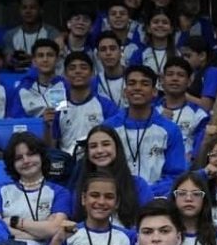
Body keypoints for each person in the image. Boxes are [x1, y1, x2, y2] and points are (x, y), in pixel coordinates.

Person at [0, 132, 72, 245]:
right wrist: (41, 231)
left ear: (41, 156)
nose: (26, 161)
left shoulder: (60, 192)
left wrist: (14, 222)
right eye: (19, 158)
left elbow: (55, 229)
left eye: (31, 154)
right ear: (12, 164)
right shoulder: (1, 190)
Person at [104, 65, 186, 195]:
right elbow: (102, 170)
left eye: (144, 84)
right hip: (116, 197)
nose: (137, 87)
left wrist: (146, 193)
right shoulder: (108, 128)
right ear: (125, 92)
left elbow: (175, 175)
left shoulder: (170, 130)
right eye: (132, 83)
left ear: (154, 92)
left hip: (156, 200)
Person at [71, 124, 153, 229]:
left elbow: (149, 222)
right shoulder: (80, 187)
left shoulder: (137, 185)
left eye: (106, 144)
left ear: (117, 148)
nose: (99, 150)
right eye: (93, 146)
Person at [56, 51, 119, 155]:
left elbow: (116, 141)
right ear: (65, 75)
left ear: (92, 73)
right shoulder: (59, 106)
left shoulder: (106, 105)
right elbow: (52, 144)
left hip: (97, 163)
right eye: (72, 68)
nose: (78, 71)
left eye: (83, 67)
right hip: (67, 166)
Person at [155, 57, 209, 163]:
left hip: (184, 172)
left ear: (189, 81)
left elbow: (199, 151)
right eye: (170, 74)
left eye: (180, 75)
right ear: (162, 80)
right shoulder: (151, 111)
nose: (175, 78)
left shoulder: (199, 115)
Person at [6, 38, 65, 120]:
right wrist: (40, 120)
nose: (45, 59)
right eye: (41, 55)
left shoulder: (63, 86)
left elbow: (63, 117)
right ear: (34, 61)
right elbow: (16, 120)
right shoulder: (24, 89)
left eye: (50, 55)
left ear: (57, 59)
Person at [3, 0, 60, 71]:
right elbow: (7, 61)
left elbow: (57, 60)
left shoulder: (52, 33)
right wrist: (13, 60)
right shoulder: (10, 34)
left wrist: (33, 60)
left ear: (41, 10)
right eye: (24, 7)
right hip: (18, 76)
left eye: (32, 7)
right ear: (19, 10)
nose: (28, 11)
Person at [180, 35, 217, 112]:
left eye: (188, 56)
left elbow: (206, 106)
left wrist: (181, 95)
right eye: (183, 56)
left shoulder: (213, 73)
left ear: (202, 56)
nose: (184, 59)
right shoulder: (196, 72)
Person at [131, 8, 179, 79]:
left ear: (171, 29)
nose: (160, 25)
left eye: (165, 22)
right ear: (148, 28)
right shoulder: (138, 54)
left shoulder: (178, 54)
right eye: (156, 22)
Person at [94, 32, 129, 109]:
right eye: (103, 49)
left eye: (112, 48)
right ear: (97, 55)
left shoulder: (134, 77)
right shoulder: (94, 83)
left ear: (121, 52)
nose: (108, 53)